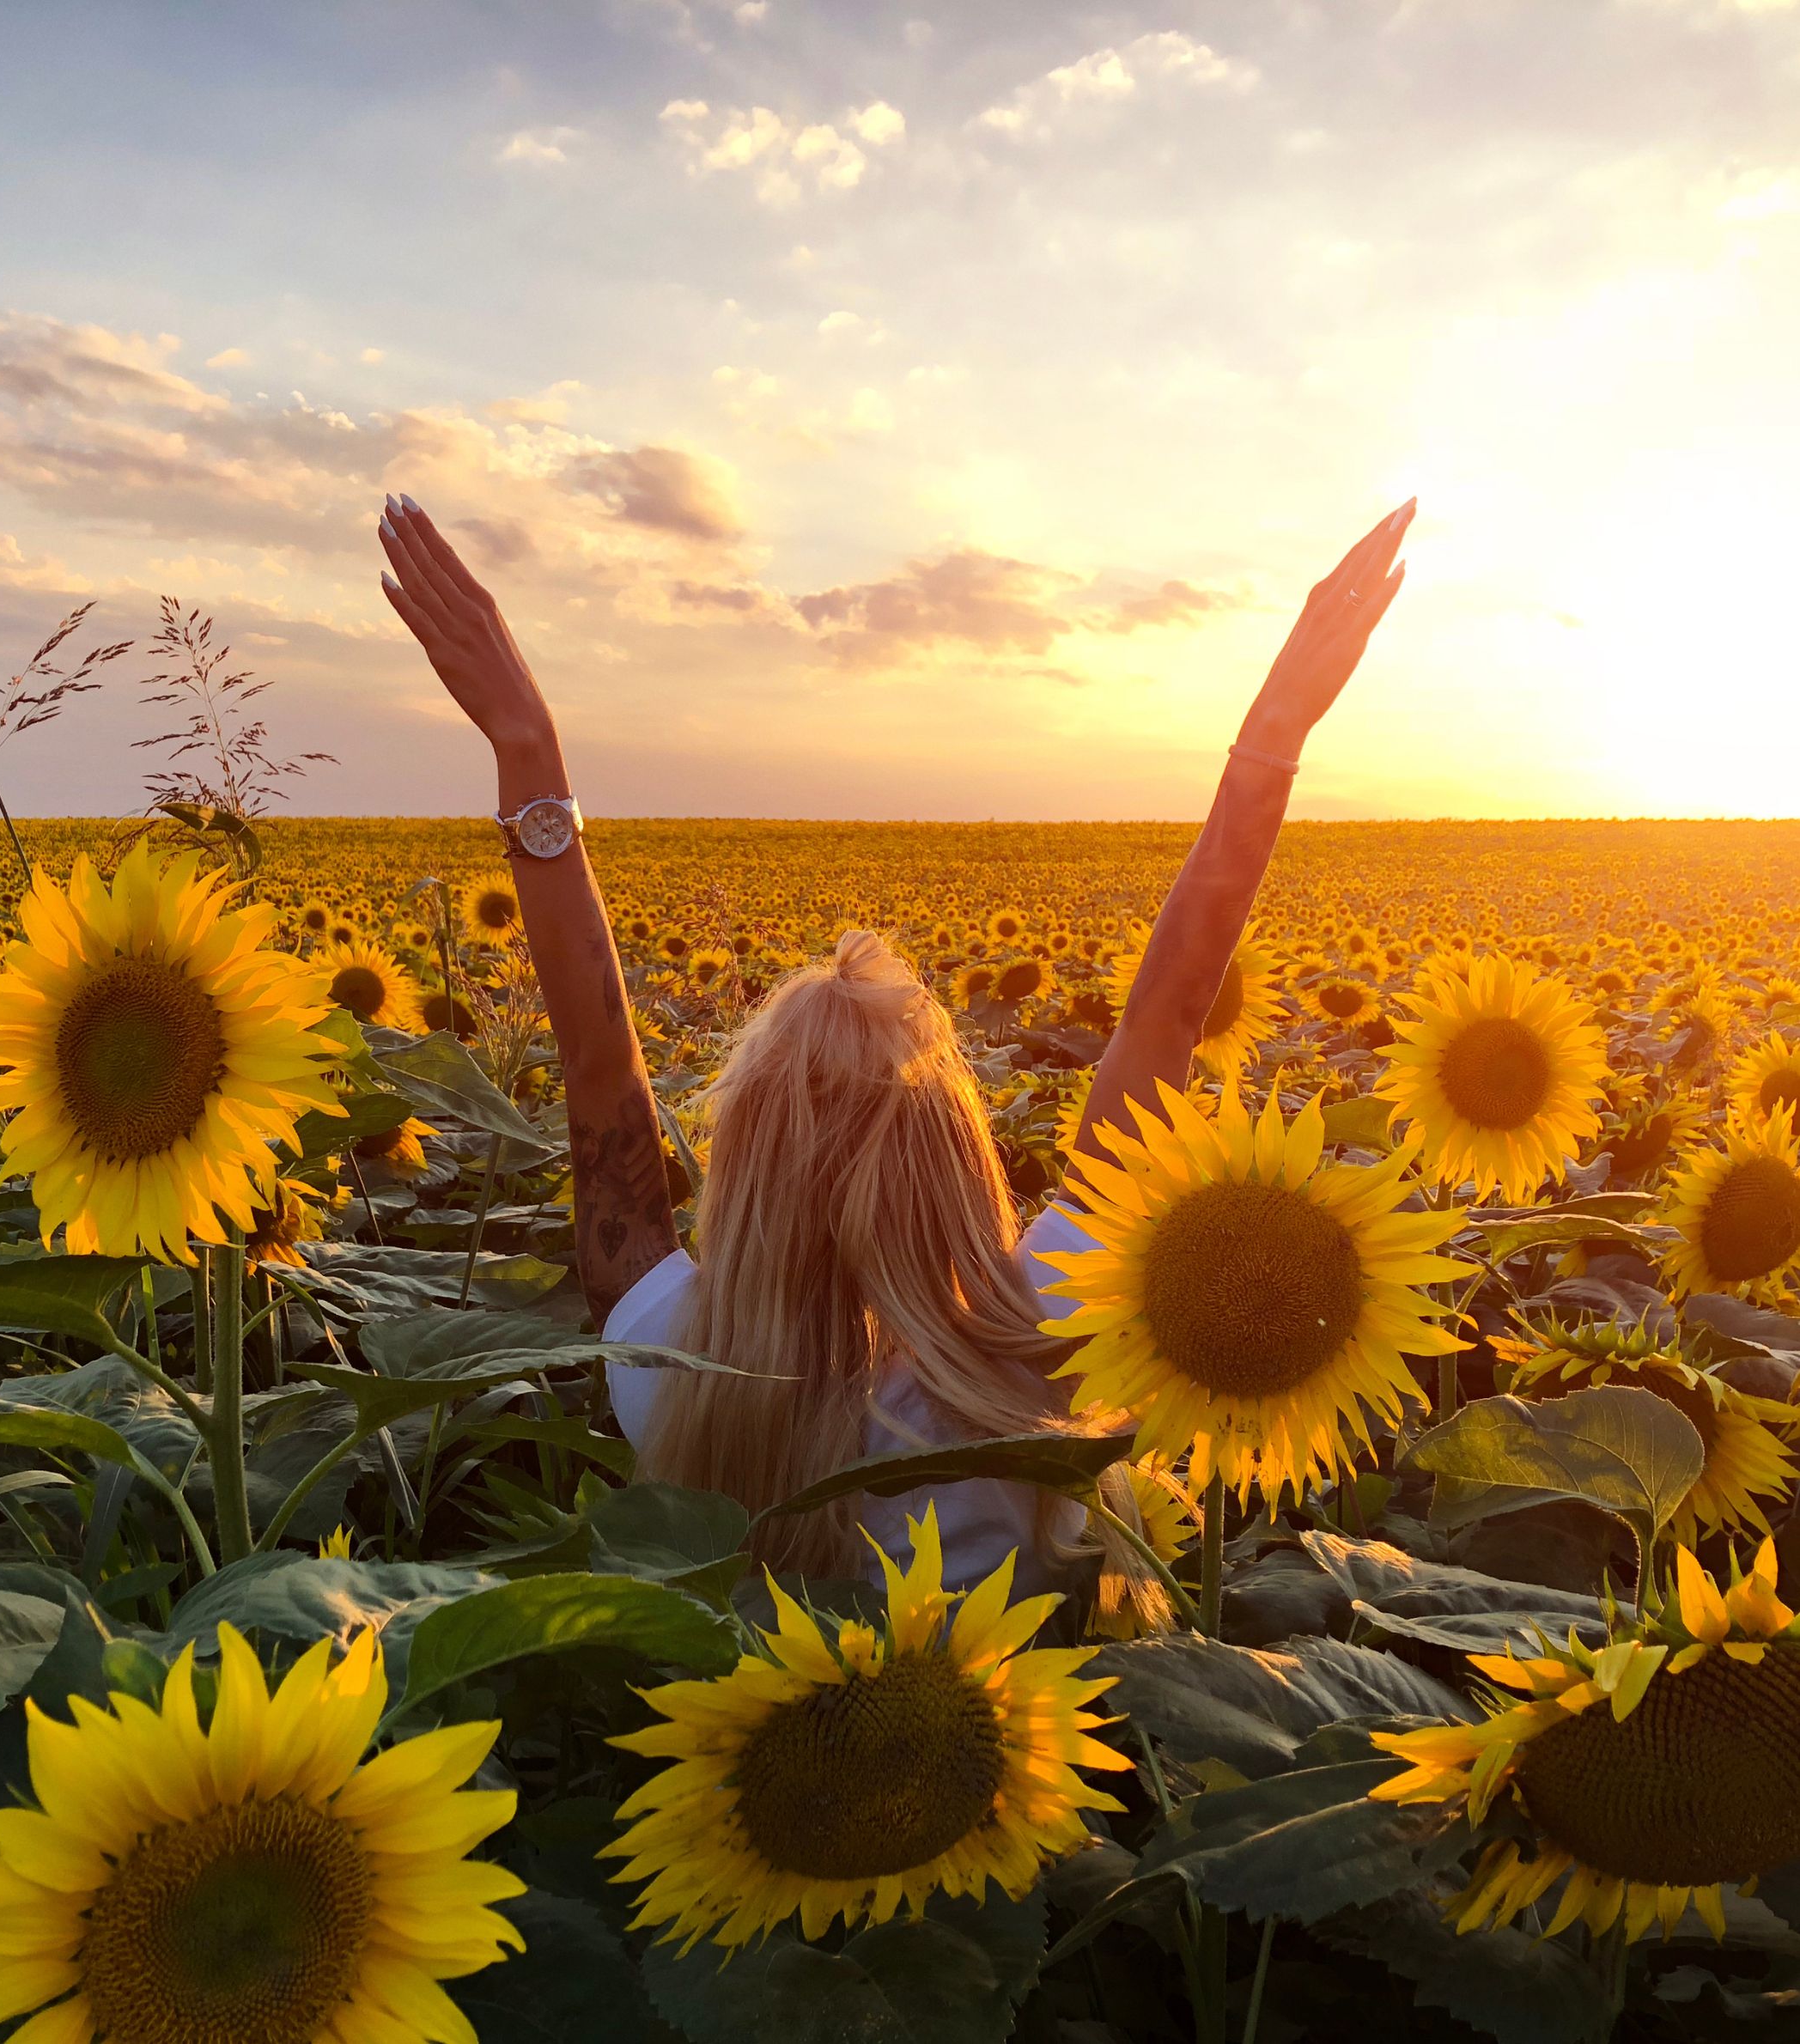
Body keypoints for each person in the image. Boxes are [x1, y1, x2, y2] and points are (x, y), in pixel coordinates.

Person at [378, 494, 1413, 1590]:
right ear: (952, 1148)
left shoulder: (666, 1363)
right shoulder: (1041, 1346)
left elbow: (600, 1072)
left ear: (749, 1155)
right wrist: (1275, 731)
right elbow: (1168, 1012)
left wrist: (527, 749)